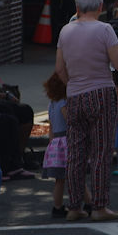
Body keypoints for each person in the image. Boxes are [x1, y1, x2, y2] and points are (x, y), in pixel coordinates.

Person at [54, 0, 118, 221]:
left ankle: (74, 206)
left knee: (76, 152)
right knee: (101, 151)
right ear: (100, 6)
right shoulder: (105, 30)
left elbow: (59, 69)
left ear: (77, 6)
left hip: (75, 94)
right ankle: (99, 206)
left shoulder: (65, 31)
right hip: (101, 92)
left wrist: (72, 84)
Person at [42, 71, 72, 217]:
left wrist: (51, 144)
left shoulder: (52, 104)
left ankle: (57, 206)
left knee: (59, 180)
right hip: (66, 141)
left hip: (56, 143)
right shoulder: (64, 103)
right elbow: (70, 120)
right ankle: (89, 202)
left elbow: (52, 127)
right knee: (75, 176)